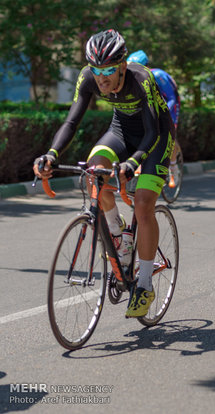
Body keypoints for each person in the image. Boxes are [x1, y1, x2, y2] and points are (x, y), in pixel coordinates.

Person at [33, 29, 175, 318]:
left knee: (144, 203)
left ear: (123, 65)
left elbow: (152, 131)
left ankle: (144, 285)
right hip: (120, 130)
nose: (102, 77)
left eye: (109, 69)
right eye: (96, 70)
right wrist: (51, 154)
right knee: (94, 171)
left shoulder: (141, 79)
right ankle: (118, 233)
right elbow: (72, 121)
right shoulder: (87, 78)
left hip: (156, 138)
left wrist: (133, 163)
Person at [127, 50, 182, 188]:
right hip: (152, 106)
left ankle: (173, 167)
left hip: (170, 106)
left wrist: (162, 114)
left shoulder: (158, 75)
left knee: (170, 136)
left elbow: (171, 99)